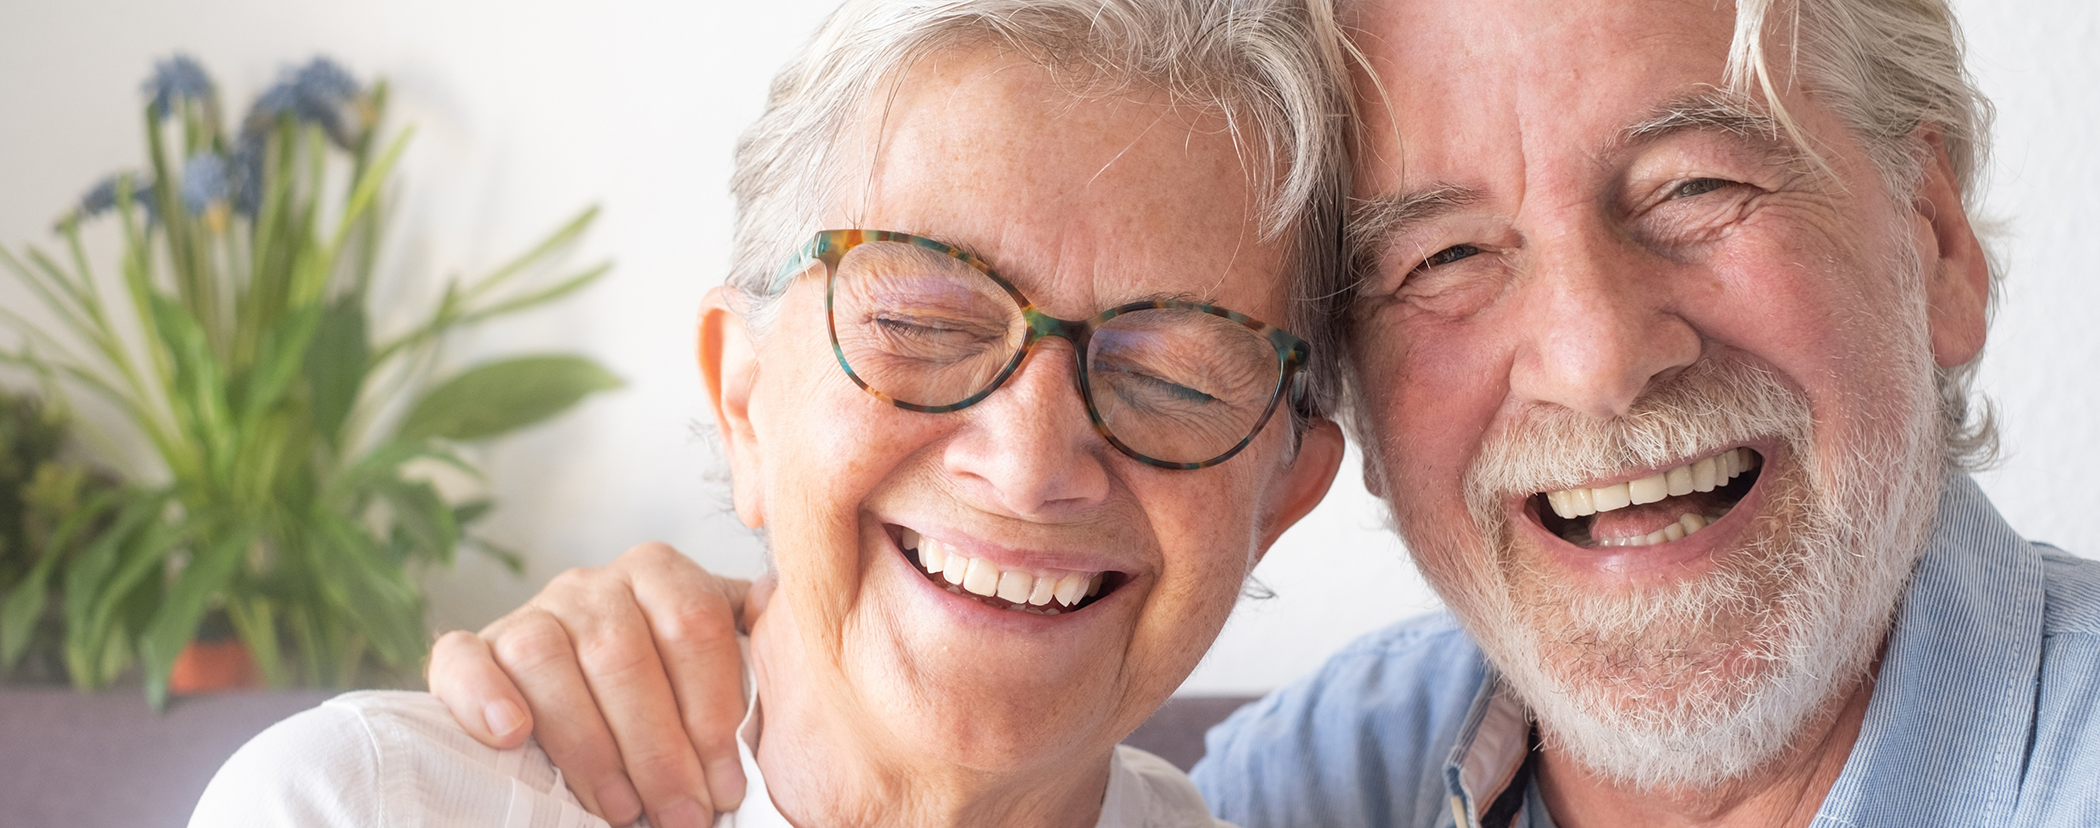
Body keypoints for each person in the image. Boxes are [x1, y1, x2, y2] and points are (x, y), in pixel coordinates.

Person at [429, 0, 2100, 825]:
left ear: (1939, 248)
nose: (1593, 358)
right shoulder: (1322, 787)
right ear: (1346, 420)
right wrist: (759, 634)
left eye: (1695, 187)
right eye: (1446, 249)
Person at [188, 1, 1355, 826]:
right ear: (743, 397)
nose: (1030, 461)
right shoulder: (358, 808)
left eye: (1176, 379)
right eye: (928, 323)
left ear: (1282, 498)